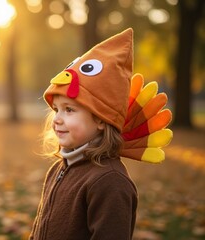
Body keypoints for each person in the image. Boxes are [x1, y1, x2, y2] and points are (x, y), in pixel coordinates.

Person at [29, 28, 172, 239]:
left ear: (100, 119)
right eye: (57, 109)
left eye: (69, 110)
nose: (57, 118)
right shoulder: (60, 168)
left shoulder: (110, 182)